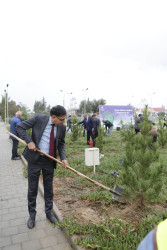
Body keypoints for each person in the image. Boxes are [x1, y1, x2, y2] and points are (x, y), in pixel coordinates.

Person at [16, 105, 68, 229]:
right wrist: (29, 141)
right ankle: (32, 215)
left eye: (64, 119)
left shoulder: (62, 127)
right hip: (35, 159)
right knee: (33, 188)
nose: (64, 122)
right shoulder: (39, 119)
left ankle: (49, 213)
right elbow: (20, 127)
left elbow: (61, 144)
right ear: (53, 117)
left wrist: (64, 158)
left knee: (49, 188)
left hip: (49, 161)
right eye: (62, 119)